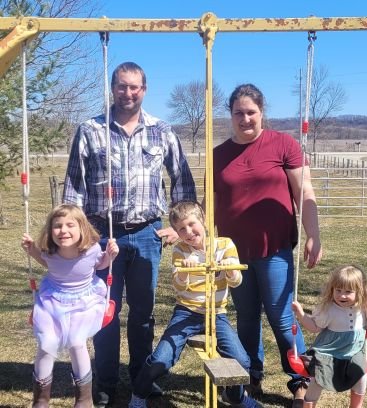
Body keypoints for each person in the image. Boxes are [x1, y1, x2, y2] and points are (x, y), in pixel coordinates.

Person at [62, 61, 196, 407]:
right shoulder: (90, 130)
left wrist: (179, 226)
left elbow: (181, 179)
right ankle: (104, 384)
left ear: (145, 90)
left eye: (135, 87)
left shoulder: (162, 131)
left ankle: (142, 380)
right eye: (122, 86)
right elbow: (74, 187)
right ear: (112, 88)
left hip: (147, 235)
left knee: (143, 313)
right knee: (104, 310)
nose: (128, 93)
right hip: (101, 236)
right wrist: (73, 237)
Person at [213, 83, 322, 406]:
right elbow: (211, 202)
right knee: (246, 317)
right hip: (233, 254)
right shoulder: (218, 155)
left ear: (262, 113)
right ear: (230, 115)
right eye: (238, 113)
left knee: (282, 316)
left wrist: (314, 234)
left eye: (251, 112)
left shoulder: (283, 145)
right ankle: (251, 377)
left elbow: (305, 192)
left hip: (274, 248)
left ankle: (300, 378)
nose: (245, 119)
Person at [129, 201, 262, 408]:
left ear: (203, 220)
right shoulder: (180, 251)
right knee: (161, 361)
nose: (189, 232)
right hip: (187, 312)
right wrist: (185, 271)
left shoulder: (225, 245)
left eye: (192, 224)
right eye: (182, 229)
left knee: (242, 361)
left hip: (216, 313)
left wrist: (230, 270)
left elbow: (236, 282)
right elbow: (180, 288)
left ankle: (235, 397)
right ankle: (138, 394)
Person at [21, 204, 119, 408]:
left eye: (70, 225)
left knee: (77, 342)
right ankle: (40, 399)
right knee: (46, 344)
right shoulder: (50, 251)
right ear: (50, 231)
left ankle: (84, 399)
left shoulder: (91, 249)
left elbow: (101, 264)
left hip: (85, 301)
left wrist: (110, 256)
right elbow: (47, 263)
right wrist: (32, 250)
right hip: (53, 301)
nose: (63, 230)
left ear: (82, 228)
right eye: (57, 226)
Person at [292, 265, 367, 408]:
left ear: (360, 292)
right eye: (338, 290)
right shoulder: (329, 309)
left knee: (361, 374)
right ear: (332, 289)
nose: (342, 295)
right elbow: (315, 328)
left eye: (348, 291)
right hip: (328, 353)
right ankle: (308, 405)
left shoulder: (364, 307)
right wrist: (301, 315)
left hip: (354, 352)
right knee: (318, 379)